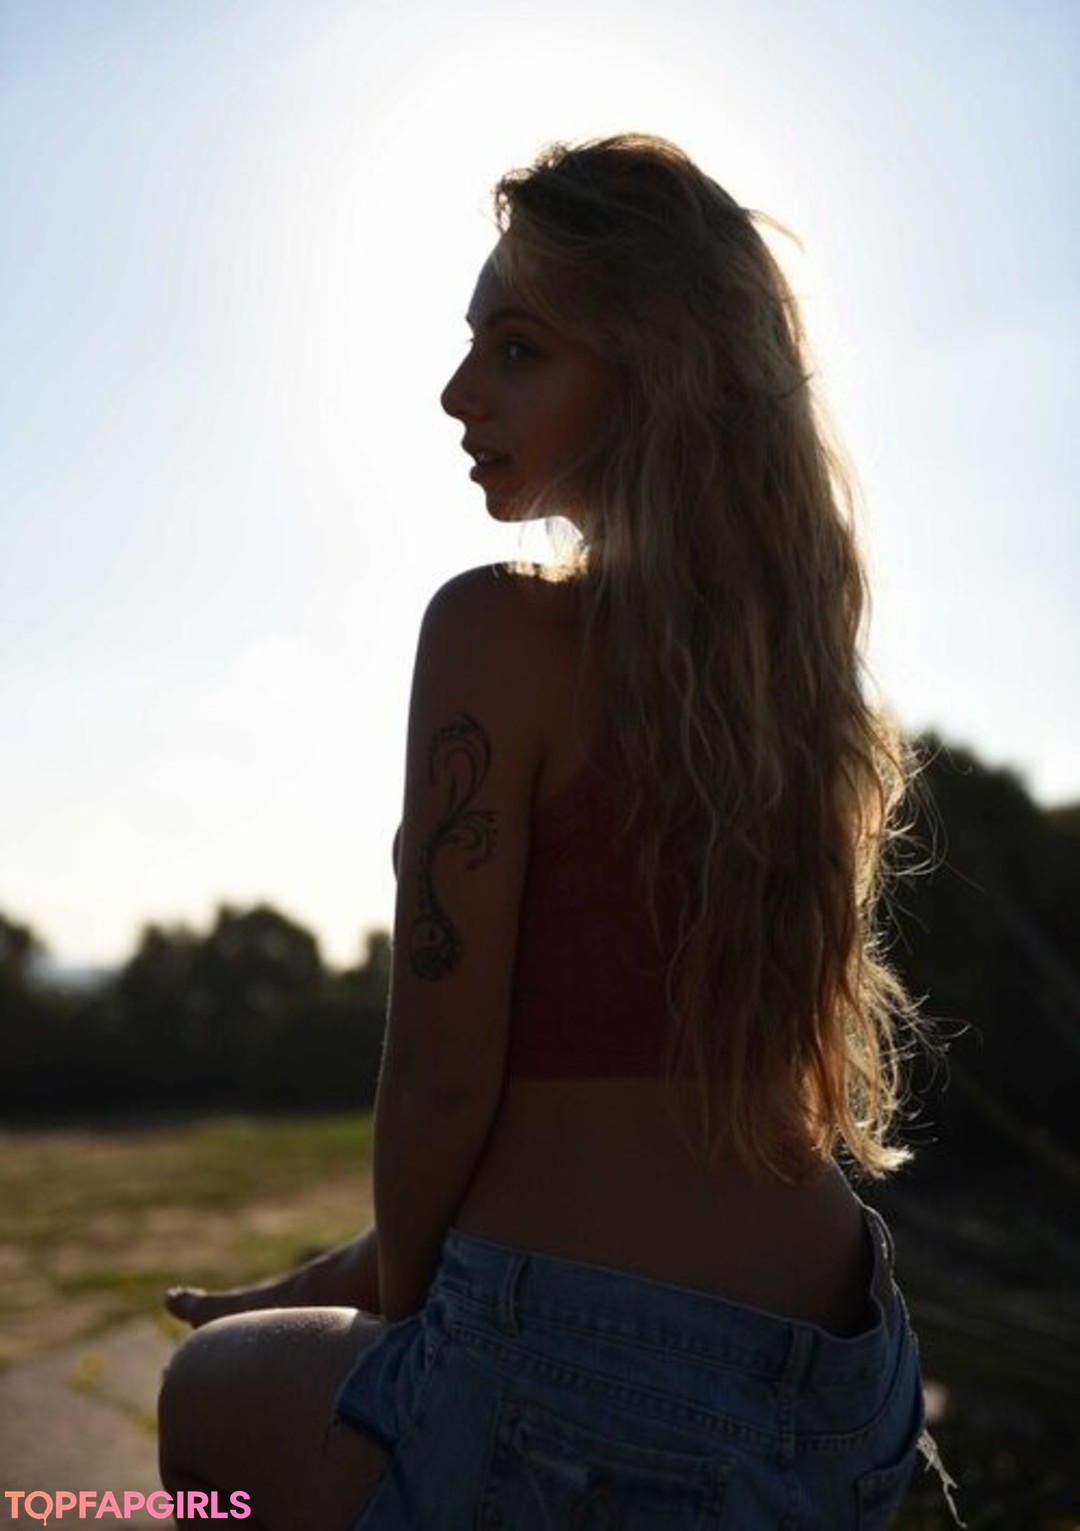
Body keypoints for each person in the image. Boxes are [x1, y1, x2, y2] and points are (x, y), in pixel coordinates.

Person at [159, 133, 957, 1528]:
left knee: (197, 1399)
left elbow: (442, 1085)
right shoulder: (792, 686)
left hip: (583, 1385)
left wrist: (401, 1345)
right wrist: (321, 1285)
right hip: (851, 1380)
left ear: (656, 376)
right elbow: (586, 1124)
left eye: (518, 350)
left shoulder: (497, 631)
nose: (458, 392)